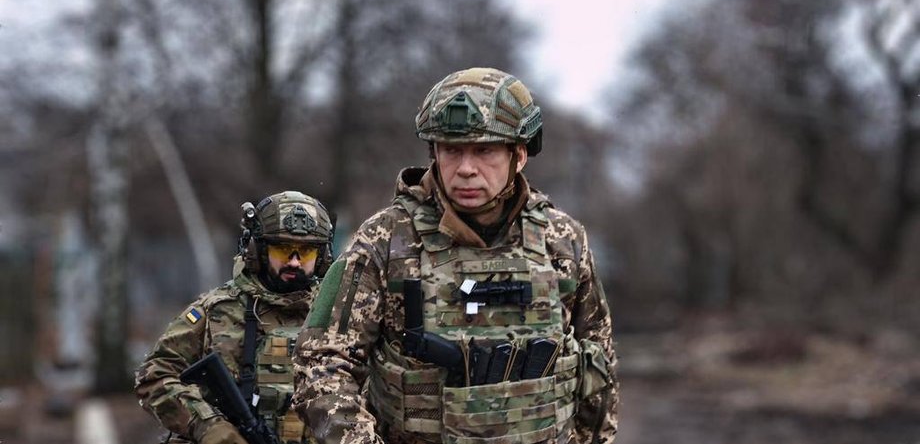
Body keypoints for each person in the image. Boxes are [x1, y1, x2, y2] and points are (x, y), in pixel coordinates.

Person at [292, 68, 618, 444]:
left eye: (484, 150)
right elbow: (321, 365)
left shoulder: (562, 240)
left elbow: (598, 365)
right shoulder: (385, 240)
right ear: (434, 152)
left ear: (519, 155)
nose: (465, 169)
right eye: (451, 150)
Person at [136, 191, 334, 444]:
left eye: (305, 253)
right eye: (283, 251)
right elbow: (154, 375)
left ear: (322, 258)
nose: (294, 263)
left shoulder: (336, 316)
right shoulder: (216, 310)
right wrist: (209, 427)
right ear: (258, 251)